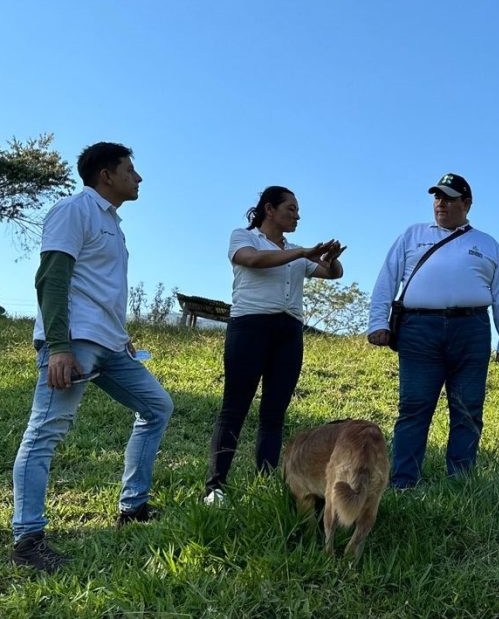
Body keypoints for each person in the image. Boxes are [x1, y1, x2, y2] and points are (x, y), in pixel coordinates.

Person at [10, 142, 174, 573]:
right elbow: (52, 278)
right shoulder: (74, 210)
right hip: (73, 344)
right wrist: (59, 346)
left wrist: (122, 337)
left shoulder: (113, 226)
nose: (137, 178)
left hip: (111, 345)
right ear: (106, 175)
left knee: (157, 406)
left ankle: (132, 507)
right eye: (130, 170)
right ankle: (27, 539)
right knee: (45, 431)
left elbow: (100, 288)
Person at [367, 173, 499, 490]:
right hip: (418, 330)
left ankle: (460, 482)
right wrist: (378, 323)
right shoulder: (412, 235)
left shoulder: (487, 244)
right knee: (414, 407)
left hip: (472, 330)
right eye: (437, 197)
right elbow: (387, 279)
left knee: (467, 409)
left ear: (466, 204)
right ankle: (403, 482)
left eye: (449, 198)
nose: (441, 203)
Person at [203, 187, 345, 505]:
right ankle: (215, 487)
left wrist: (331, 261)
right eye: (291, 208)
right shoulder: (245, 237)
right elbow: (252, 260)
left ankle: (264, 483)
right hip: (250, 328)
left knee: (274, 413)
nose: (297, 215)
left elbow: (331, 273)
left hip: (289, 333)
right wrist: (302, 253)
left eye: (297, 211)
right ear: (270, 209)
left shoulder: (296, 252)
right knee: (234, 407)